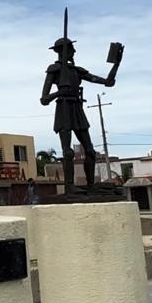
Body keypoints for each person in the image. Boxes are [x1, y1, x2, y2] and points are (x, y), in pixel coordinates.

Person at [40, 36, 121, 192]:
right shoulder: (54, 70)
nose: (74, 51)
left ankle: (91, 186)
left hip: (77, 109)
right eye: (71, 48)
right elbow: (44, 99)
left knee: (90, 151)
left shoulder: (77, 71)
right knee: (68, 151)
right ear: (63, 51)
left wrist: (116, 64)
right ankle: (69, 186)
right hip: (63, 108)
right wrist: (58, 93)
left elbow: (107, 82)